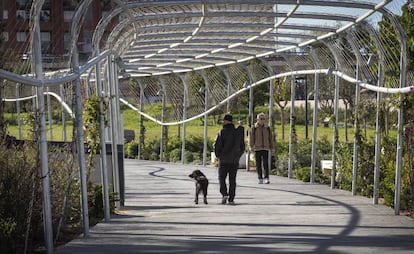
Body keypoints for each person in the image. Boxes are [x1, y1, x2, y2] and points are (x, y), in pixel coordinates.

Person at [214, 114, 245, 205]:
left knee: (221, 178)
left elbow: (217, 146)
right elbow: (242, 146)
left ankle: (224, 194)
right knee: (232, 180)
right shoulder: (237, 132)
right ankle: (231, 198)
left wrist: (219, 156)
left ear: (227, 121)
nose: (223, 122)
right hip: (234, 160)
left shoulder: (222, 132)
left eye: (224, 120)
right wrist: (238, 155)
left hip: (224, 160)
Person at [249, 112, 273, 184]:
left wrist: (271, 146)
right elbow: (251, 138)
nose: (262, 120)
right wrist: (251, 146)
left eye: (263, 119)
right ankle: (260, 178)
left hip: (265, 147)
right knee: (258, 164)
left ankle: (266, 177)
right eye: (261, 119)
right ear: (257, 119)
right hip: (257, 148)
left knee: (266, 164)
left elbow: (270, 138)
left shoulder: (267, 128)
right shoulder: (254, 128)